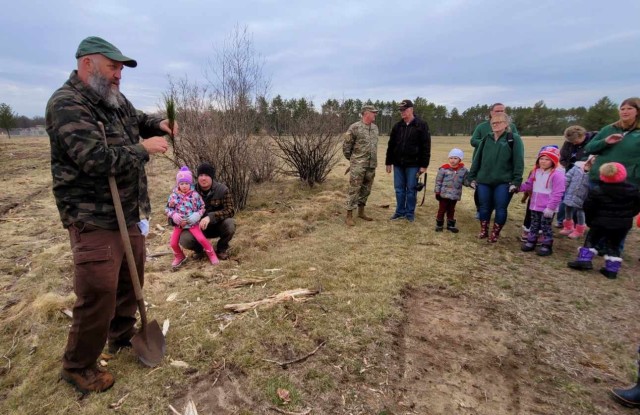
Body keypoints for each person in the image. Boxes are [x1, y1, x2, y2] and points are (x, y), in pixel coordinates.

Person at [46, 36, 176, 393]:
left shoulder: (112, 100)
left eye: (121, 68)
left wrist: (159, 125)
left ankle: (121, 335)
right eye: (113, 66)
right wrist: (142, 149)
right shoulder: (67, 104)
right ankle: (78, 365)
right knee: (98, 291)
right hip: (93, 215)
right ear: (88, 64)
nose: (119, 74)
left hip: (128, 210)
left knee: (129, 280)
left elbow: (136, 118)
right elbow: (94, 159)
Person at [567, 162, 640, 278]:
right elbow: (637, 206)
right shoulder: (633, 190)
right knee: (614, 245)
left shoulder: (597, 190)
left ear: (603, 176)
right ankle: (611, 270)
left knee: (591, 240)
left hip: (600, 222)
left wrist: (590, 221)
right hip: (622, 224)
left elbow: (589, 207)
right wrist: (628, 216)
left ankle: (584, 260)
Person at [467, 112, 524, 242]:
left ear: (506, 124)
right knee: (484, 206)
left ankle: (495, 233)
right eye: (493, 122)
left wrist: (516, 181)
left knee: (500, 207)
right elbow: (477, 159)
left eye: (499, 122)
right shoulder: (486, 138)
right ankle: (484, 230)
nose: (495, 124)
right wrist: (471, 177)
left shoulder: (513, 139)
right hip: (484, 180)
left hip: (503, 181)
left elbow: (518, 161)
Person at [385, 99, 431, 222]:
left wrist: (424, 165)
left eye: (404, 110)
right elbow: (391, 145)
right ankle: (399, 212)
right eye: (401, 110)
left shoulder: (421, 125)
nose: (402, 112)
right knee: (399, 189)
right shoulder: (397, 126)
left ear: (411, 110)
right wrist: (388, 162)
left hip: (414, 164)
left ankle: (409, 213)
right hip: (398, 164)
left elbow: (426, 146)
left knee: (411, 190)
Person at [470, 103, 519, 215]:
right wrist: (487, 143)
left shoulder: (512, 127)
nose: (500, 112)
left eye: (503, 110)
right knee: (480, 188)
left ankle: (497, 208)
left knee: (500, 190)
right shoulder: (482, 126)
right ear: (491, 113)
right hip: (484, 164)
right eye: (497, 111)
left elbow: (515, 142)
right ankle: (480, 209)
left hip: (502, 166)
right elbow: (473, 141)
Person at [178, 163, 235, 260]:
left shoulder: (222, 190)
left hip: (217, 226)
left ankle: (221, 248)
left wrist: (210, 217)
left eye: (207, 175)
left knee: (230, 224)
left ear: (212, 177)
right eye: (201, 175)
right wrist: (177, 219)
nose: (203, 178)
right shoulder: (189, 190)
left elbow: (230, 211)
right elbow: (174, 209)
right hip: (196, 228)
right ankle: (199, 250)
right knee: (185, 239)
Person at [166, 166, 218, 267]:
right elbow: (168, 209)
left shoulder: (195, 195)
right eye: (181, 183)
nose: (184, 186)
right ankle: (179, 256)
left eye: (186, 183)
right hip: (179, 224)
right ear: (178, 184)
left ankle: (211, 254)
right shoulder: (173, 196)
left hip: (193, 223)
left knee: (202, 239)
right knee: (173, 243)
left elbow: (202, 207)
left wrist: (197, 215)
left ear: (190, 184)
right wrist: (174, 215)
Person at [519, 146, 566, 256]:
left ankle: (547, 244)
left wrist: (551, 208)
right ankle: (531, 241)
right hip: (535, 205)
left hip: (547, 208)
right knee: (534, 224)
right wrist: (518, 188)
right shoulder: (536, 172)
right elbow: (529, 184)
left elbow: (558, 193)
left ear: (553, 161)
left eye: (547, 159)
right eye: (541, 158)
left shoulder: (558, 175)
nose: (543, 161)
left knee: (545, 226)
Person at [584, 98, 640, 188]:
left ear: (637, 111)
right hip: (599, 178)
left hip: (628, 181)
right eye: (622, 109)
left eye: (629, 108)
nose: (625, 112)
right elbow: (588, 148)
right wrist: (605, 141)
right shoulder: (609, 129)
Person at [343, 105, 379, 226]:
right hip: (358, 164)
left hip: (371, 165)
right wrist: (354, 160)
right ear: (366, 113)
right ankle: (349, 215)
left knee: (366, 189)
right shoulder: (354, 127)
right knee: (354, 189)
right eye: (374, 112)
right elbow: (346, 147)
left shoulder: (375, 128)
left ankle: (361, 212)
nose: (375, 114)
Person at [555, 125, 598, 228]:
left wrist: (583, 166)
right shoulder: (569, 143)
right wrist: (566, 165)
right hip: (570, 171)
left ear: (582, 135)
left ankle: (579, 223)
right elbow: (562, 156)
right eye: (570, 141)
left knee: (580, 200)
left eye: (575, 141)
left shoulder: (594, 142)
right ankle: (562, 221)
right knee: (565, 196)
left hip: (585, 173)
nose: (573, 143)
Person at [558, 155, 595, 238]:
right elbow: (568, 177)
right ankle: (568, 227)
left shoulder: (595, 172)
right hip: (571, 192)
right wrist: (563, 187)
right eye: (594, 157)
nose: (595, 159)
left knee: (580, 212)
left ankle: (579, 230)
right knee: (567, 208)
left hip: (584, 196)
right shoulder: (577, 167)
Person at [433, 148, 468, 233]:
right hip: (444, 194)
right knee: (442, 209)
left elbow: (465, 181)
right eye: (451, 158)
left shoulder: (463, 170)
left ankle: (450, 225)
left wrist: (472, 183)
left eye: (455, 158)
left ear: (460, 159)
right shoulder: (444, 169)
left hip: (455, 194)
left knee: (451, 209)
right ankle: (439, 224)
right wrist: (437, 192)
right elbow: (438, 181)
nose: (453, 160)